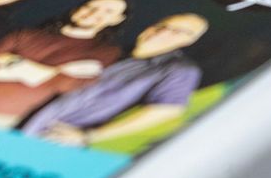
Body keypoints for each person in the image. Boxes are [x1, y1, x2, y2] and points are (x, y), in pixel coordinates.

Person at [0, 0, 129, 128]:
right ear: (77, 8)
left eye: (108, 11)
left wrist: (13, 61)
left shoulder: (106, 52)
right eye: (90, 6)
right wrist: (49, 72)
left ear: (117, 20)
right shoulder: (26, 34)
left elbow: (69, 85)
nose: (94, 13)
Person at [20, 13, 208, 146]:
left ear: (189, 41)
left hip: (52, 138)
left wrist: (90, 136)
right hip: (22, 120)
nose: (163, 33)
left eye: (178, 31)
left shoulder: (179, 70)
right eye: (162, 26)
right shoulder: (110, 51)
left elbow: (166, 110)